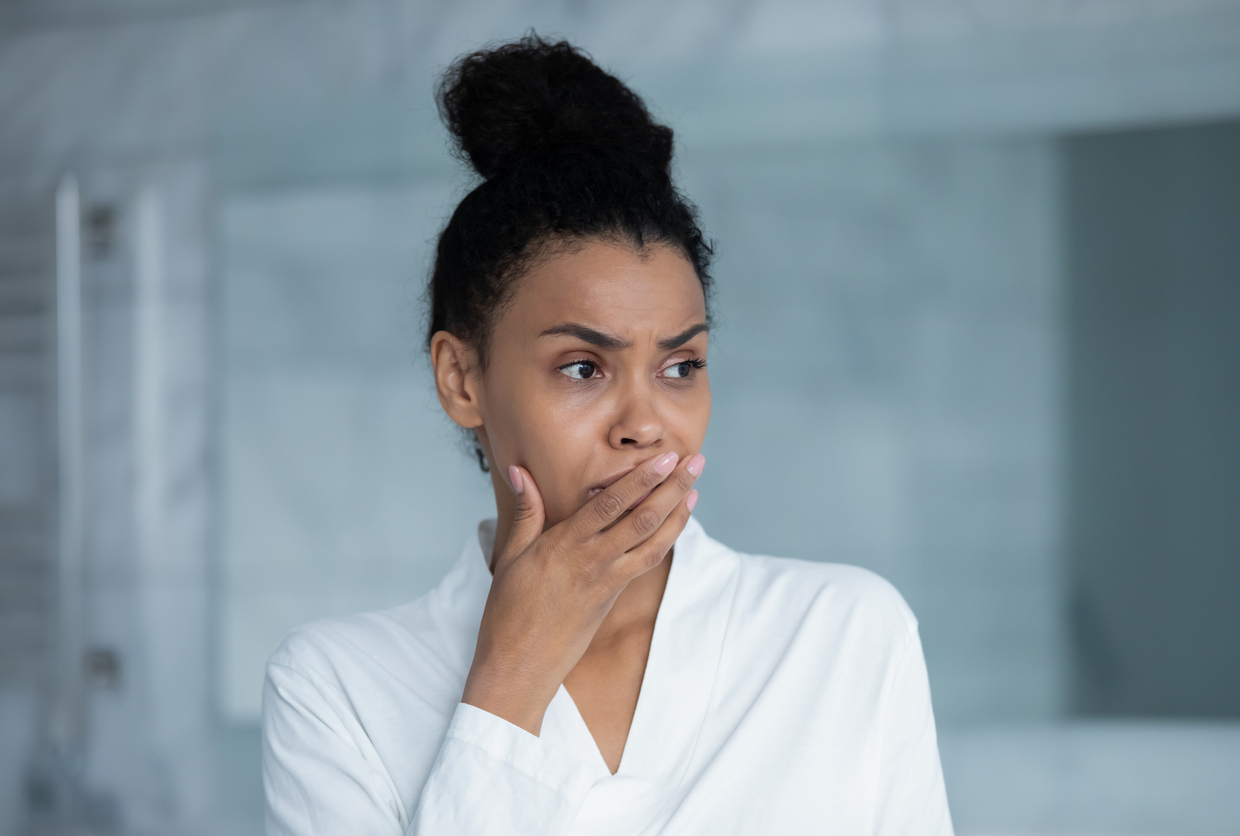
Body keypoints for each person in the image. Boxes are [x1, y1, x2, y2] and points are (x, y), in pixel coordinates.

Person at [261, 35, 952, 836]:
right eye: (583, 368)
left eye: (680, 366)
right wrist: (507, 687)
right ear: (461, 380)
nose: (644, 426)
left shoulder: (844, 636)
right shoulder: (337, 688)